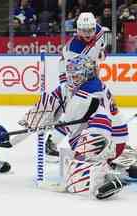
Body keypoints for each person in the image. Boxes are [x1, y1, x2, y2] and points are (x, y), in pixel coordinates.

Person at [20, 55, 128, 199]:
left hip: (112, 139)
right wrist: (34, 120)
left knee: (76, 181)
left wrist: (52, 140)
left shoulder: (91, 89)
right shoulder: (73, 86)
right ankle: (107, 162)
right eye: (71, 74)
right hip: (97, 131)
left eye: (76, 74)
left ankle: (105, 175)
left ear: (87, 74)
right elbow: (52, 101)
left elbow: (69, 121)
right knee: (77, 148)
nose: (72, 78)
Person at [45, 12, 107, 158]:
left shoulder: (99, 31)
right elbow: (77, 75)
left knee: (92, 112)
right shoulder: (73, 49)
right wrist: (67, 87)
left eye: (90, 30)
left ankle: (85, 141)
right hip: (75, 79)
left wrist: (101, 53)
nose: (88, 34)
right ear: (77, 30)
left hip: (89, 78)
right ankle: (52, 141)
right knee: (75, 115)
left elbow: (100, 47)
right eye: (84, 31)